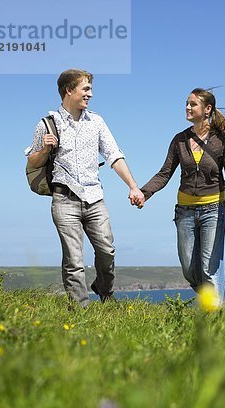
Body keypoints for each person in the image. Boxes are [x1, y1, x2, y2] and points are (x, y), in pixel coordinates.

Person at [25, 68, 145, 307]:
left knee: (107, 251)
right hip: (64, 199)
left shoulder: (97, 121)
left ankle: (104, 289)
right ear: (69, 90)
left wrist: (133, 186)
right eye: (86, 89)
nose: (90, 94)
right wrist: (45, 150)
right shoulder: (47, 124)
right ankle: (80, 310)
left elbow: (114, 155)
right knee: (74, 260)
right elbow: (32, 161)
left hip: (94, 197)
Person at [139, 88, 225, 303]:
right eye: (186, 103)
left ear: (207, 109)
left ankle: (214, 315)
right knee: (189, 268)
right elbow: (165, 173)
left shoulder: (221, 140)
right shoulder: (180, 140)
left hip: (213, 209)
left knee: (210, 267)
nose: (187, 107)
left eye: (192, 104)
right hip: (185, 211)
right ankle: (210, 300)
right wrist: (144, 193)